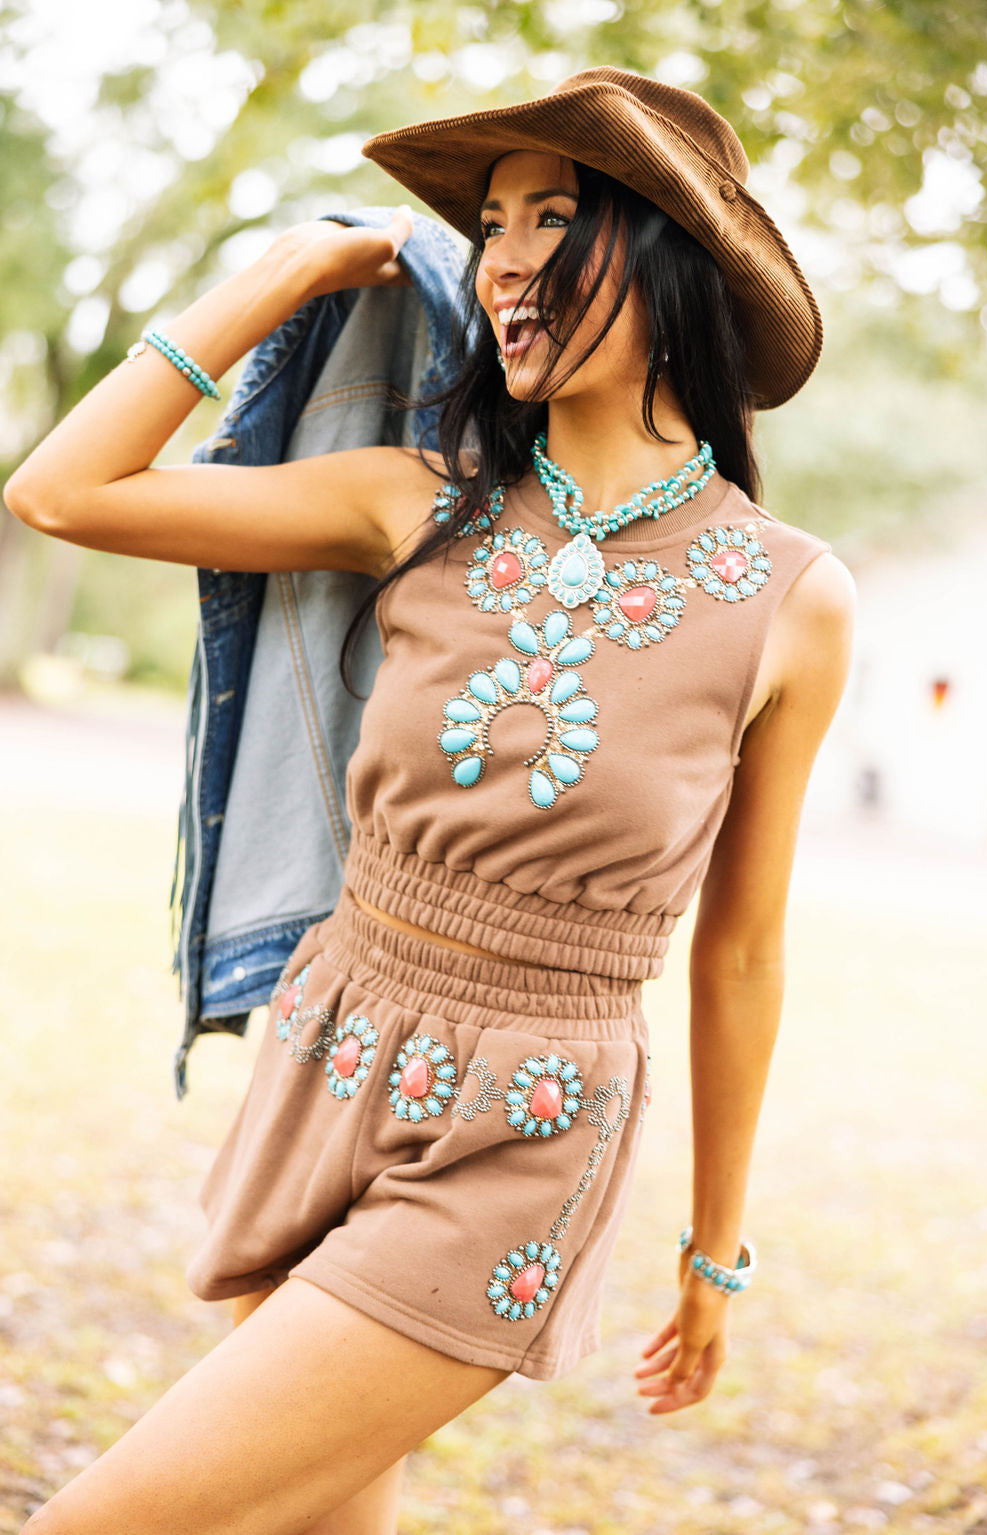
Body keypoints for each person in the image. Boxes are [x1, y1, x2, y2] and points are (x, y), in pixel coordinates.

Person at [5, 66, 855, 1535]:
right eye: (491, 224)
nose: (504, 253)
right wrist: (287, 267)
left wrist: (714, 1253)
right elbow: (62, 492)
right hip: (326, 1052)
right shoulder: (419, 499)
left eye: (555, 215)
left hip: (521, 1129)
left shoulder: (792, 598)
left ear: (667, 256)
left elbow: (742, 951)